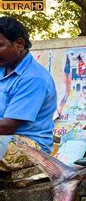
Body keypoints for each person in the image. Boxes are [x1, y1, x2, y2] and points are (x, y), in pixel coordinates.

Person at [0, 17, 57, 171]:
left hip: (31, 144)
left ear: (19, 44)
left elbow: (7, 127)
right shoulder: (3, 68)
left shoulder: (33, 77)